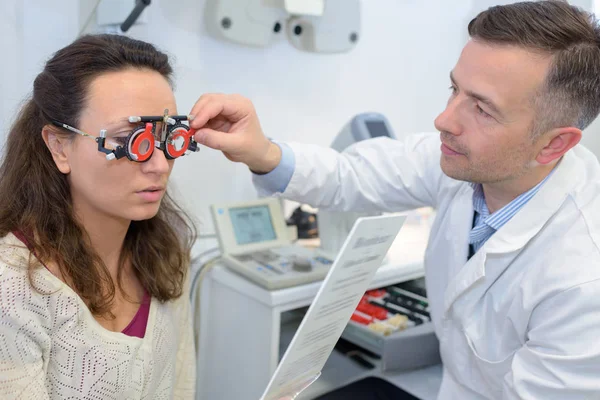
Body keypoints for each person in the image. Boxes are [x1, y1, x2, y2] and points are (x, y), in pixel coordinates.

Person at [188, 1, 600, 399]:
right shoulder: (468, 163)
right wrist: (261, 152)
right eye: (454, 89)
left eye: (482, 109)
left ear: (554, 144)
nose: (444, 120)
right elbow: (350, 176)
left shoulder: (584, 283)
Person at [0, 34, 197, 399]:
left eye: (169, 138)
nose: (159, 166)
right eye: (130, 140)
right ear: (59, 146)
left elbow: (180, 386)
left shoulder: (166, 254)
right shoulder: (12, 289)